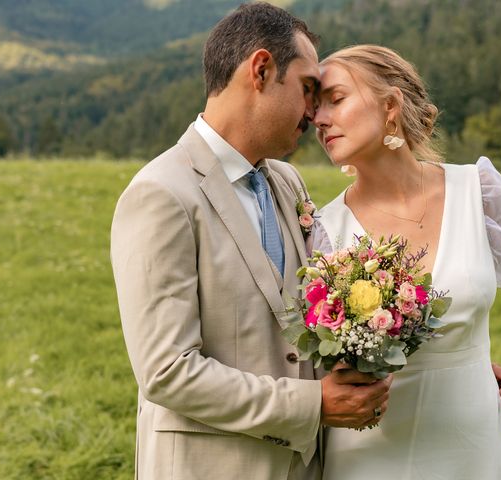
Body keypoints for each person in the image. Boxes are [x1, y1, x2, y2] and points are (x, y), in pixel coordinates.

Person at [110, 6, 392, 480]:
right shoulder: (160, 194)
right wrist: (312, 404)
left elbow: (317, 319)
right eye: (307, 89)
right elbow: (167, 371)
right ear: (260, 70)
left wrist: (441, 369)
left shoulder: (287, 182)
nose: (315, 113)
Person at [309, 45, 501, 479]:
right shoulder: (324, 230)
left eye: (336, 100)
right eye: (315, 108)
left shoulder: (478, 190)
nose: (319, 120)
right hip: (369, 453)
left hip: (472, 444)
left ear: (391, 106)